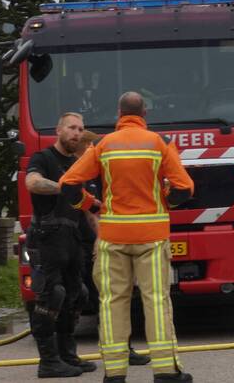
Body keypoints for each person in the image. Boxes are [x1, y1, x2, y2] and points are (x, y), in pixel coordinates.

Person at [61, 92, 196, 383]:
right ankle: (165, 372)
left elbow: (68, 184)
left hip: (113, 236)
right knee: (156, 301)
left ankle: (115, 373)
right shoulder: (159, 144)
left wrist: (90, 204)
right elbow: (185, 188)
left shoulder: (102, 145)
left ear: (119, 114)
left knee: (112, 302)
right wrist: (164, 201)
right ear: (144, 113)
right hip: (152, 235)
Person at [24, 112, 98, 377]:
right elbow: (31, 183)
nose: (76, 133)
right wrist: (62, 188)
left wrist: (102, 239)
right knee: (51, 295)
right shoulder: (43, 158)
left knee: (76, 295)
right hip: (46, 238)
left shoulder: (81, 165)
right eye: (71, 128)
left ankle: (69, 356)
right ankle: (48, 362)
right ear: (58, 130)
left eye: (80, 129)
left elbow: (89, 211)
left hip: (72, 240)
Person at [76, 131, 151, 368]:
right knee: (102, 299)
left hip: (95, 242)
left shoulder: (94, 171)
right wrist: (102, 240)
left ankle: (121, 350)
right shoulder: (80, 172)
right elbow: (91, 212)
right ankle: (111, 352)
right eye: (92, 147)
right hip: (84, 243)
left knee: (110, 298)